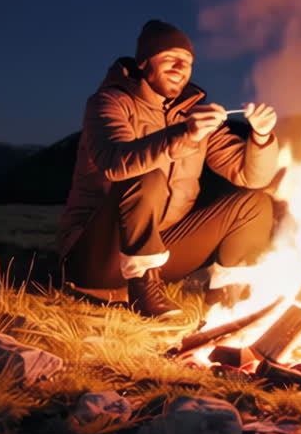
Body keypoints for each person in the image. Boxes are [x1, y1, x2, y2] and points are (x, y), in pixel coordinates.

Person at [57, 20, 280, 317]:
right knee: (147, 177)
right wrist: (184, 135)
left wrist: (261, 136)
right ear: (145, 62)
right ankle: (143, 289)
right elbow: (115, 162)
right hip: (96, 257)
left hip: (162, 249)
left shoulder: (191, 117)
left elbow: (251, 177)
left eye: (187, 61)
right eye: (169, 57)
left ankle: (228, 304)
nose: (180, 66)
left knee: (253, 204)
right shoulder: (109, 102)